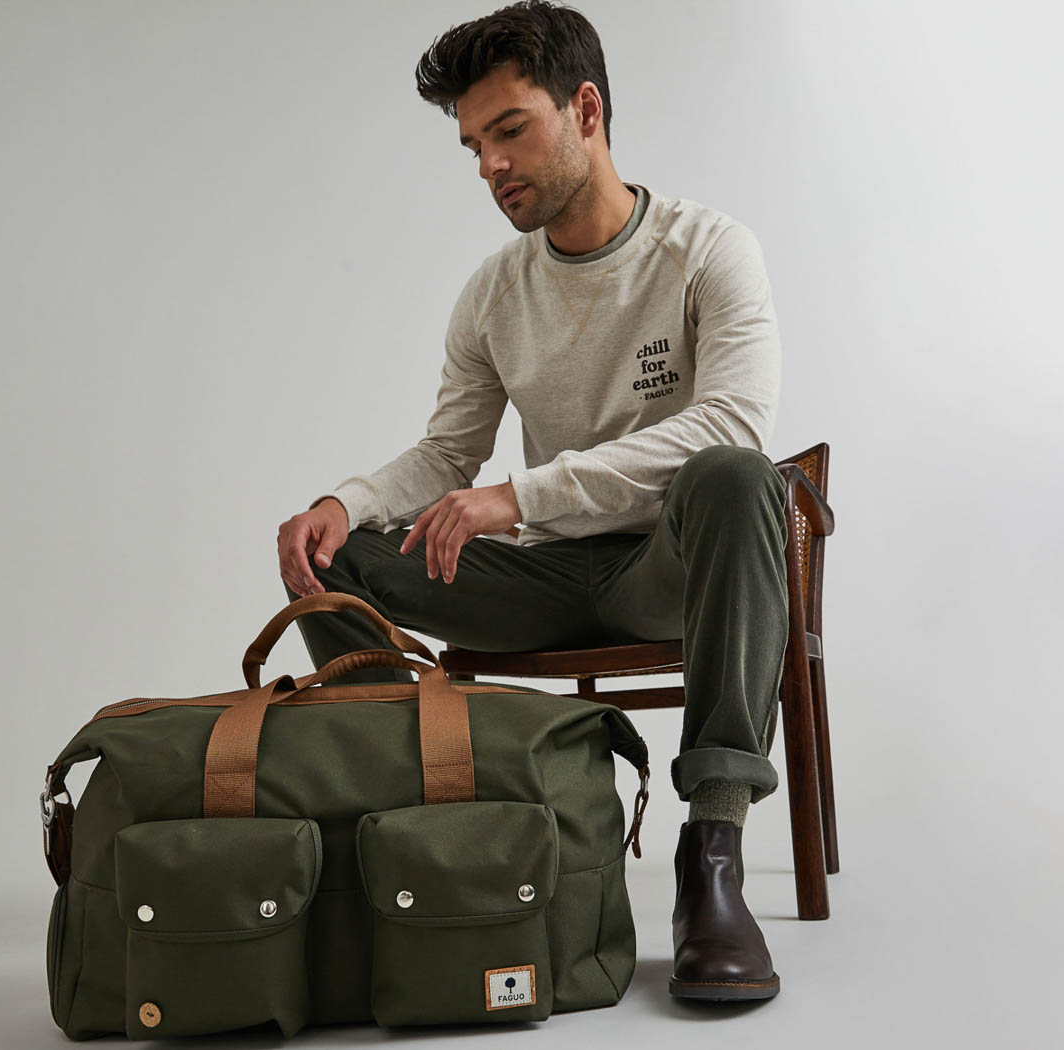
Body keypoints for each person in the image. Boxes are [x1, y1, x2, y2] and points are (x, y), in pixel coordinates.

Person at [277, 0, 788, 1003]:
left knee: (736, 475)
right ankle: (407, 830)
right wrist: (347, 501)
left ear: (585, 111)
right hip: (542, 578)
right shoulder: (491, 293)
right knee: (330, 557)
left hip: (669, 572)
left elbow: (730, 425)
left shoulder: (707, 249)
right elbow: (448, 452)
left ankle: (712, 855)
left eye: (509, 131)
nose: (491, 166)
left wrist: (522, 495)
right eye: (474, 146)